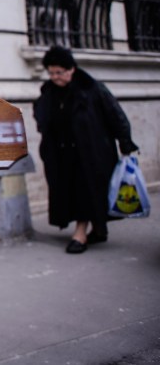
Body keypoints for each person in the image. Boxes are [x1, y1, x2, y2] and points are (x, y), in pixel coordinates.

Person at [33, 45, 138, 254]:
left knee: (86, 191)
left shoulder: (93, 89)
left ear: (71, 69)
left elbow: (116, 116)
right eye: (51, 73)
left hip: (91, 151)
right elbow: (44, 119)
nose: (55, 77)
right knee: (72, 192)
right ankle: (99, 229)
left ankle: (80, 234)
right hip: (62, 153)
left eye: (59, 73)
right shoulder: (49, 92)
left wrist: (125, 143)